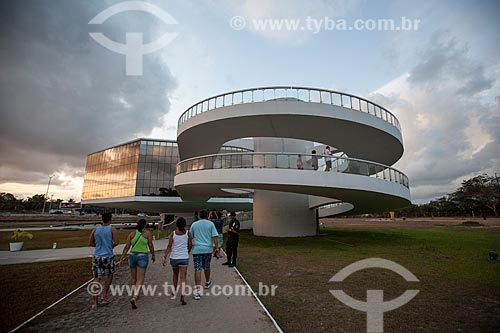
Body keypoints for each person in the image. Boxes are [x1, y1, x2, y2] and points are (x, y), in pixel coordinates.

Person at [118, 219, 156, 309]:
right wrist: (153, 255)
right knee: (140, 278)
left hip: (132, 255)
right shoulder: (147, 234)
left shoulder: (132, 234)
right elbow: (150, 245)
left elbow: (127, 246)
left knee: (133, 277)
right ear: (145, 225)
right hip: (142, 256)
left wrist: (122, 258)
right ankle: (135, 296)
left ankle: (133, 293)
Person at [88, 212, 118, 309]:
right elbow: (116, 242)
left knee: (96, 279)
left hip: (97, 256)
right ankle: (104, 295)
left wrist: (98, 247)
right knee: (109, 276)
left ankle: (94, 302)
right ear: (110, 219)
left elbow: (90, 242)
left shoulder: (95, 229)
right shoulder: (112, 229)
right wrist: (110, 247)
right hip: (108, 256)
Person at [189, 209, 218, 300]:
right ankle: (207, 281)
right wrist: (216, 247)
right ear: (207, 216)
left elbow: (190, 237)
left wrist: (189, 247)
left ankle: (198, 291)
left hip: (197, 249)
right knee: (207, 266)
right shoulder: (211, 224)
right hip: (207, 249)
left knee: (197, 269)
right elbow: (215, 236)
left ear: (199, 216)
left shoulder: (194, 224)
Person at [162, 217, 192, 305]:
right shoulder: (188, 233)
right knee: (183, 277)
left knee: (175, 274)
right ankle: (182, 294)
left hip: (174, 257)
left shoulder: (173, 234)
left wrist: (165, 256)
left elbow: (169, 246)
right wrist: (187, 251)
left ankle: (174, 290)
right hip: (184, 257)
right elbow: (190, 245)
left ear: (177, 225)